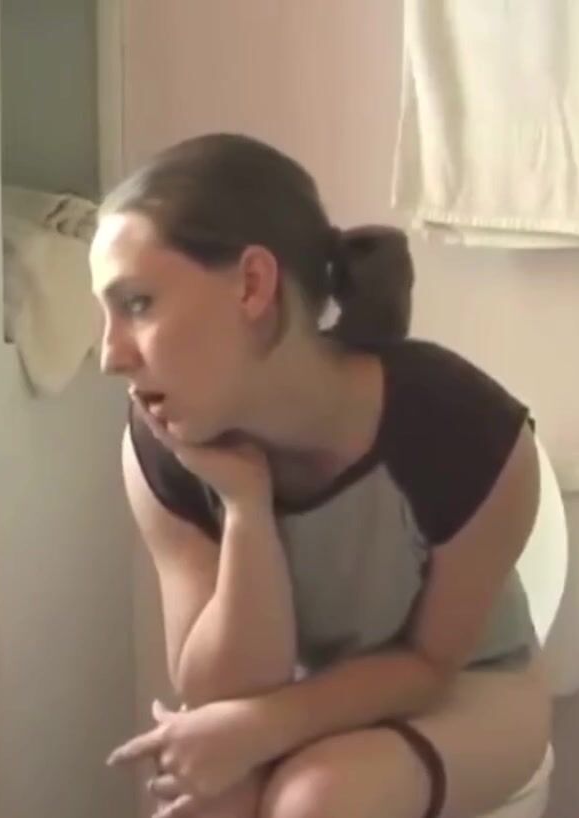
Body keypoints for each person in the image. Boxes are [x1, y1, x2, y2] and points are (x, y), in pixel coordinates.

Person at [97, 133, 550, 818]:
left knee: (317, 800)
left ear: (253, 284)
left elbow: (428, 665)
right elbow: (223, 691)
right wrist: (245, 508)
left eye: (136, 303)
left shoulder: (462, 429)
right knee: (211, 807)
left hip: (469, 685)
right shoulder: (163, 449)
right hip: (295, 694)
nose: (109, 356)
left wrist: (261, 730)